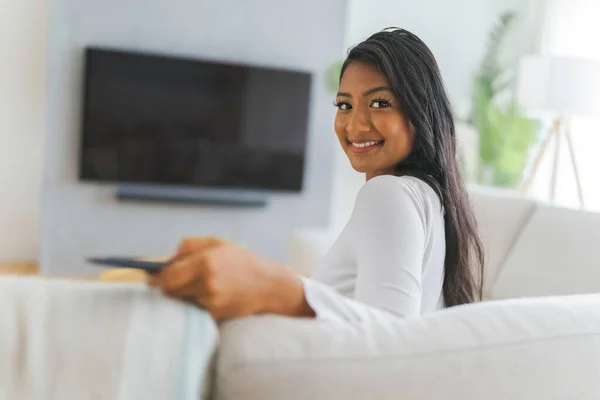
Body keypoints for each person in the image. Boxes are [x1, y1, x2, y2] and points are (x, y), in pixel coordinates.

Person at [147, 28, 485, 322]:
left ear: (420, 112)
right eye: (344, 105)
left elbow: (389, 333)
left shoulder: (387, 193)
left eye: (380, 103)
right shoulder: (429, 198)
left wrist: (276, 289)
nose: (354, 125)